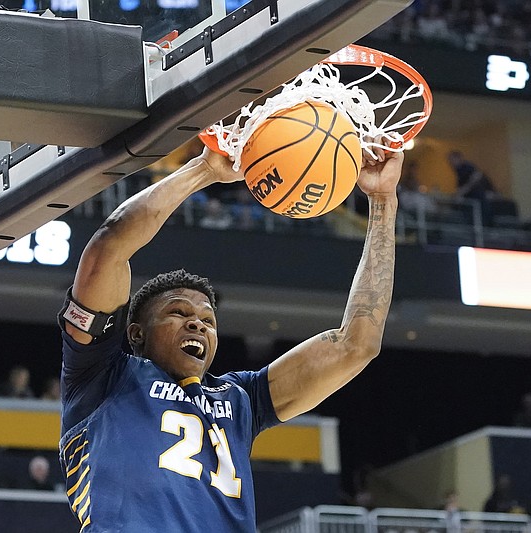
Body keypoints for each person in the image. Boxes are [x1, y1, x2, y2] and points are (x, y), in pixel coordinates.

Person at [57, 143, 402, 531]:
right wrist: (204, 169)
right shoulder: (101, 376)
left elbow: (356, 345)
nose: (198, 324)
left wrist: (383, 201)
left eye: (208, 320)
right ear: (136, 334)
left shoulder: (240, 399)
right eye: (178, 313)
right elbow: (108, 248)